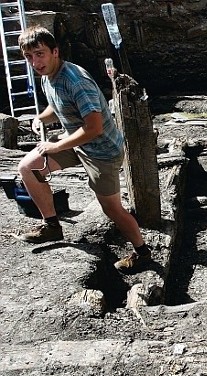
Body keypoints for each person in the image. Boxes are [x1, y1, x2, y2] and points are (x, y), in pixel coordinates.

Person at [17, 26, 151, 272]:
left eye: (39, 54)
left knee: (111, 208)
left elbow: (94, 128)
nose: (35, 62)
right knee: (28, 167)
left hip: (102, 151)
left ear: (55, 52)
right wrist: (41, 118)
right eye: (29, 57)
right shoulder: (49, 75)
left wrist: (55, 145)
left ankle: (143, 252)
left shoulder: (76, 81)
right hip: (76, 142)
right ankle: (52, 226)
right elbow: (57, 106)